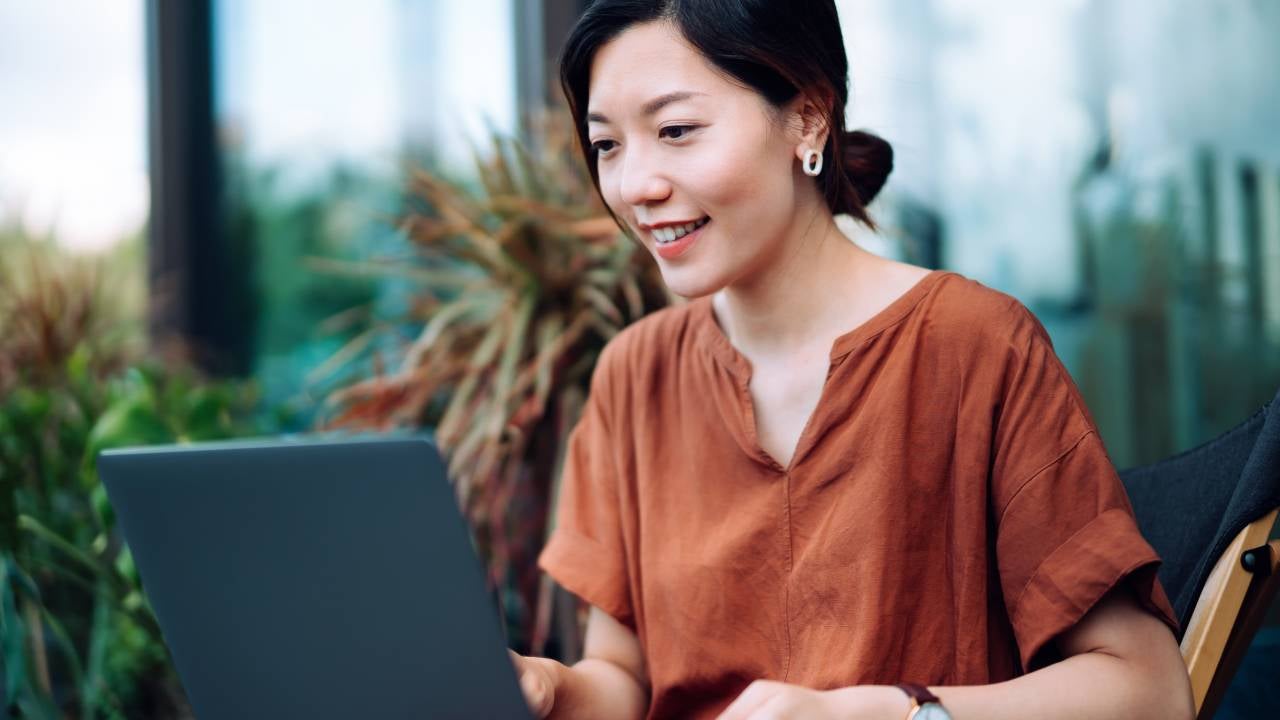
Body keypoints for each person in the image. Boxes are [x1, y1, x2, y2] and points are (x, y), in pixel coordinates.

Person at [509, 1, 1195, 718]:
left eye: (676, 131)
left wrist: (877, 713)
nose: (634, 186)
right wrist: (548, 689)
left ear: (807, 118)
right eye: (608, 145)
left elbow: (1148, 691)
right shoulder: (634, 374)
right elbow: (622, 683)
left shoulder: (974, 344)